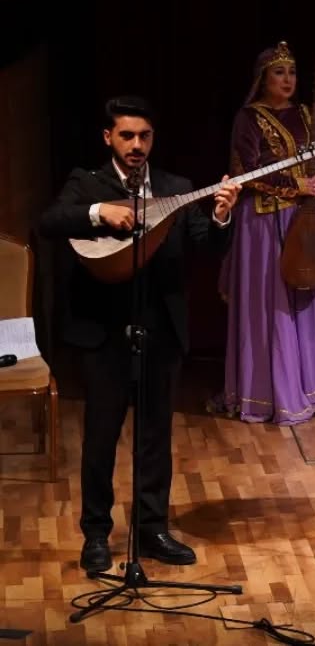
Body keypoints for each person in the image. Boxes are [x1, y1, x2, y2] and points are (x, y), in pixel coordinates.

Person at [39, 96, 240, 571]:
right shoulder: (86, 183)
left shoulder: (176, 187)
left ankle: (152, 529)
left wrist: (221, 216)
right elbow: (48, 222)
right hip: (103, 334)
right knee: (101, 437)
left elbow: (204, 246)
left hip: (160, 333)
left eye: (144, 136)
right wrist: (98, 212)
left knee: (155, 437)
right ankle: (95, 535)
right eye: (126, 135)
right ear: (108, 137)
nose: (136, 145)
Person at [218, 41, 315, 424]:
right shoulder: (249, 118)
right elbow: (248, 169)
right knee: (273, 302)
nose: (288, 79)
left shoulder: (306, 114)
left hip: (304, 216)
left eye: (292, 72)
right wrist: (298, 184)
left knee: (310, 294)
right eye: (279, 72)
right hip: (264, 222)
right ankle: (273, 392)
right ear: (263, 79)